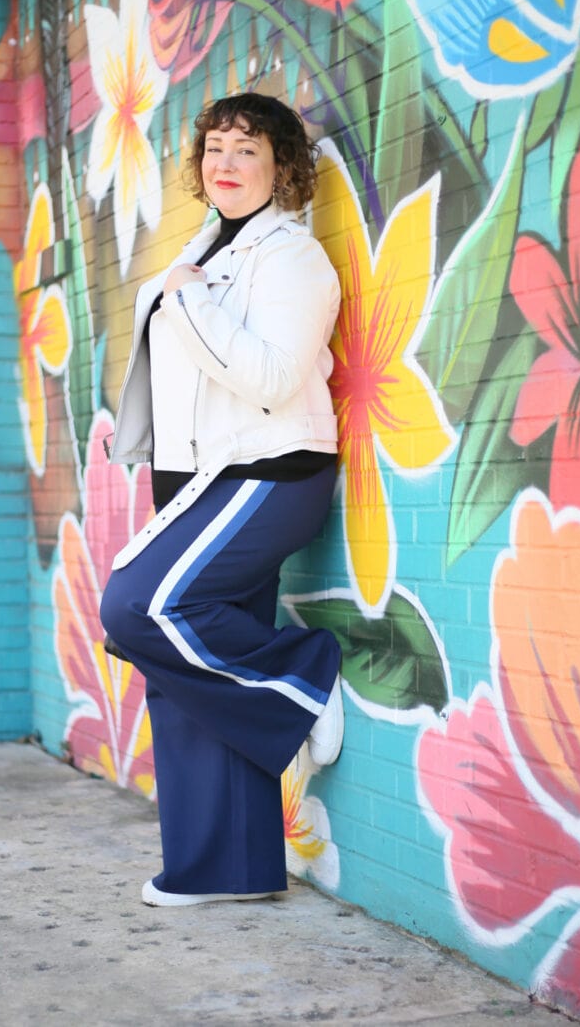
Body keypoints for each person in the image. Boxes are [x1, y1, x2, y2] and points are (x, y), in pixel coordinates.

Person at [99, 91, 344, 908]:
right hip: (198, 480)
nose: (227, 163)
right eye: (214, 149)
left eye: (247, 149)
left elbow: (273, 381)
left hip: (273, 473)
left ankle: (302, 680)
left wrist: (188, 299)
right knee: (178, 672)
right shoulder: (204, 251)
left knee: (138, 609)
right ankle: (225, 868)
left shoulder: (292, 258)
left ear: (282, 166)